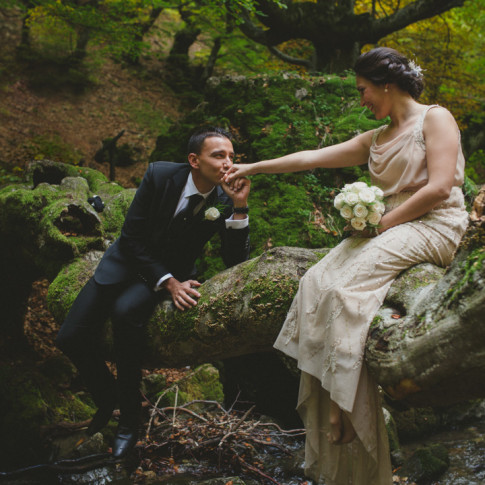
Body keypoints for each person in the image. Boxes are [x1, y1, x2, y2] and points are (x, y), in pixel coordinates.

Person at [224, 47, 468, 484]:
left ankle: (344, 406)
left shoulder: (436, 119)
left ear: (386, 85)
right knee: (316, 280)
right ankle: (329, 399)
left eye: (363, 90)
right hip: (388, 227)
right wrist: (254, 167)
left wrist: (380, 224)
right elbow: (312, 157)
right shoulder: (376, 137)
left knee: (344, 289)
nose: (361, 100)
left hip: (435, 224)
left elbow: (438, 187)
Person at [56, 127, 251, 459]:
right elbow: (131, 236)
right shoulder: (160, 175)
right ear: (194, 160)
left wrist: (240, 207)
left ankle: (129, 421)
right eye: (219, 155)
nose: (228, 163)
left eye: (232, 156)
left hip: (165, 276)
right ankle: (106, 397)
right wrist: (169, 282)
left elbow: (235, 260)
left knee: (125, 313)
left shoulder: (224, 198)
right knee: (69, 338)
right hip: (125, 263)